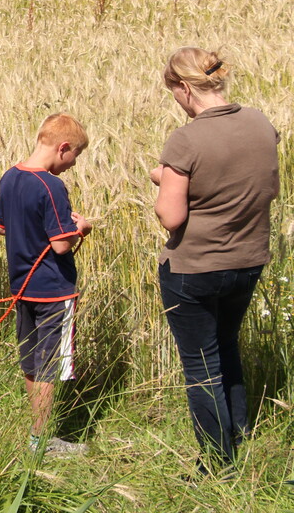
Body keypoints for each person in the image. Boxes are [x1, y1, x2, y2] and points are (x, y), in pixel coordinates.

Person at [149, 47, 279, 471]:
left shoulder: (186, 138)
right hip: (248, 262)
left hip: (194, 270)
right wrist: (176, 176)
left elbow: (172, 216)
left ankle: (216, 465)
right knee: (227, 347)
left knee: (201, 367)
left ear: (186, 88)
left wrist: (165, 180)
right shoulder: (260, 123)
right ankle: (239, 435)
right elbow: (255, 184)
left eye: (174, 93)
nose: (177, 102)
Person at [0, 113, 93, 456]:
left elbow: (2, 227)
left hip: (22, 287)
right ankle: (42, 441)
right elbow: (61, 244)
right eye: (74, 156)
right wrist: (82, 227)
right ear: (62, 148)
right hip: (54, 289)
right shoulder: (51, 186)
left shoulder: (10, 176)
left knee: (32, 360)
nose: (72, 164)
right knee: (50, 364)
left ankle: (37, 435)